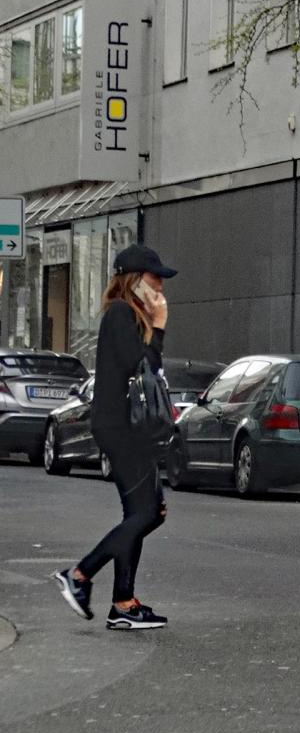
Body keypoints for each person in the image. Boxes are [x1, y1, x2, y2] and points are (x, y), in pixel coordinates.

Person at [52, 244, 177, 630]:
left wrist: (153, 324)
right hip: (120, 428)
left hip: (126, 428)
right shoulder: (121, 314)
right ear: (135, 280)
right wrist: (158, 325)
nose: (160, 285)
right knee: (147, 512)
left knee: (143, 513)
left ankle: (123, 602)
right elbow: (144, 368)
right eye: (154, 278)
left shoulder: (127, 315)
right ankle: (79, 575)